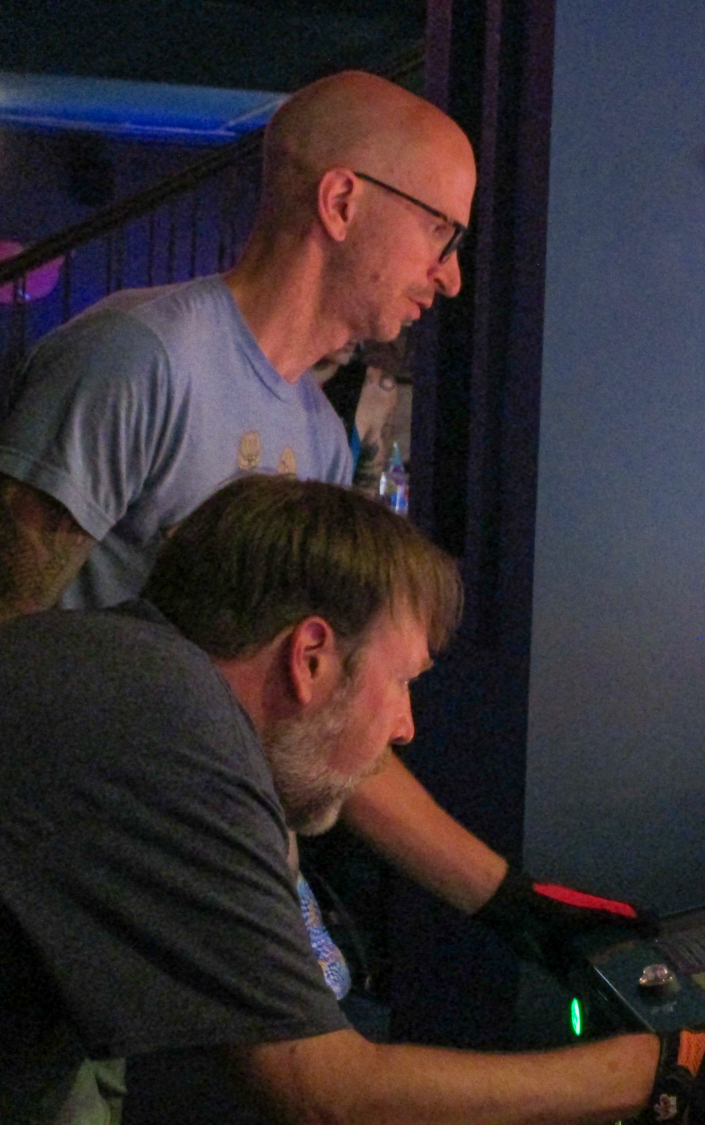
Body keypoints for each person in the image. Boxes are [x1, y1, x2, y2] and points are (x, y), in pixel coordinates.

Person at [0, 68, 643, 1107]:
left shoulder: (316, 434)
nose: (451, 277)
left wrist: (507, 903)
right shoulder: (142, 359)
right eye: (441, 232)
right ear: (342, 202)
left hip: (158, 916)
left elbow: (324, 719)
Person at [0, 475, 705, 1125]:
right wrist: (668, 1069)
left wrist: (515, 902)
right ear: (311, 657)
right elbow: (325, 1092)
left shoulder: (128, 668)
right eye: (403, 681)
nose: (405, 727)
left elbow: (346, 756)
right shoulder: (179, 735)